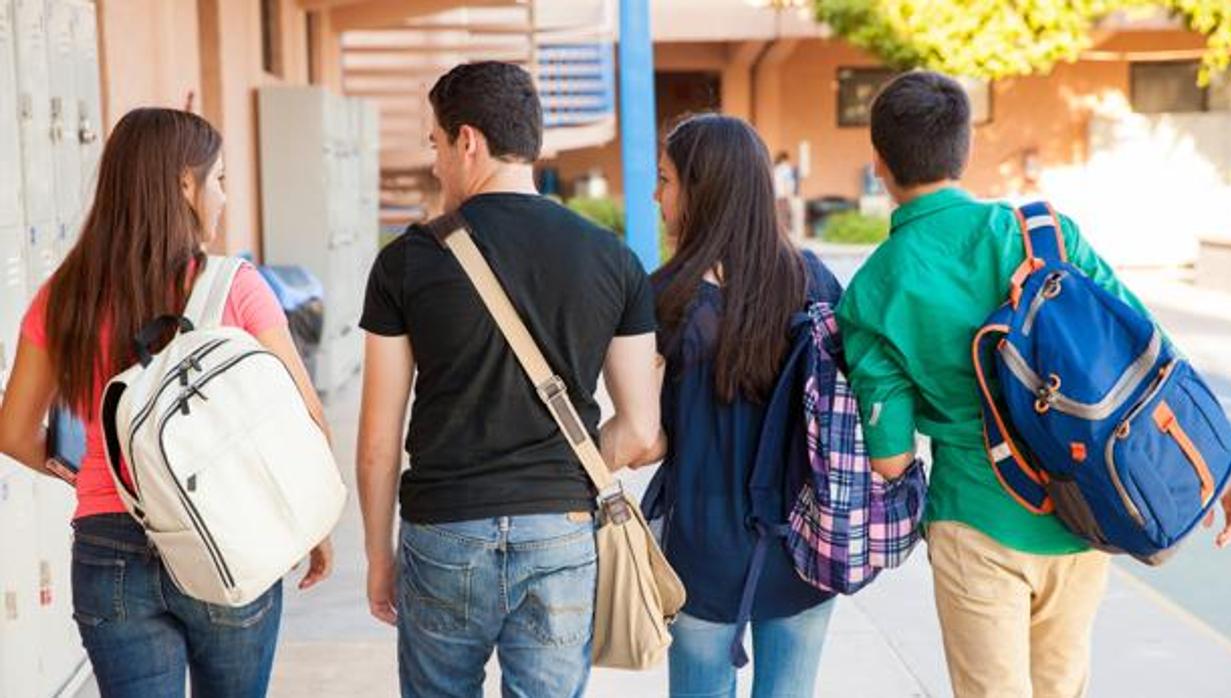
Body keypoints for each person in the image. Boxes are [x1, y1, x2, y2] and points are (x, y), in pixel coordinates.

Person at [836, 71, 1231, 698]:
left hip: (975, 522)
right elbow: (1148, 349)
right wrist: (1224, 463)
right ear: (965, 148)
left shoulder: (872, 293)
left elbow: (892, 461)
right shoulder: (1043, 234)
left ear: (878, 163)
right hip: (1083, 513)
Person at [0, 107, 333, 698]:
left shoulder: (65, 295)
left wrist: (90, 480)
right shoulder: (236, 286)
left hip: (109, 543)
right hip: (227, 533)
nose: (225, 197)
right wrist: (309, 523)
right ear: (186, 184)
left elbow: (15, 432)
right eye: (221, 179)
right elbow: (305, 417)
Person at [355, 61, 663, 698]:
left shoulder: (406, 262)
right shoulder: (613, 258)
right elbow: (639, 428)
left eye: (436, 145)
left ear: (467, 141)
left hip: (444, 532)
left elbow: (378, 444)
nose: (436, 163)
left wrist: (379, 558)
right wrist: (558, 475)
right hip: (561, 531)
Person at [645, 113, 842, 697]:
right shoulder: (816, 281)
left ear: (702, 191)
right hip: (806, 541)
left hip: (701, 550)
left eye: (666, 180)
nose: (657, 195)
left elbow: (645, 438)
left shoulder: (664, 298)